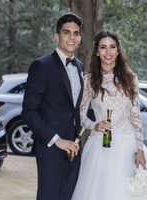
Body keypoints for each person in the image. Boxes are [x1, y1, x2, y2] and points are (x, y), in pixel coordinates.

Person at [72, 30, 147, 200]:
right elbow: (81, 114)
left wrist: (140, 149)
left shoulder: (131, 78)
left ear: (118, 51)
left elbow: (135, 117)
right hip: (100, 148)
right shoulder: (89, 80)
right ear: (97, 52)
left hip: (127, 146)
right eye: (103, 47)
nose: (108, 52)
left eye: (112, 47)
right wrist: (95, 125)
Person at [22, 13, 84, 200]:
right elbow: (28, 111)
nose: (72, 37)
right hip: (51, 149)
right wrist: (57, 139)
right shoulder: (42, 66)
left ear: (80, 38)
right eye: (67, 33)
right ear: (57, 36)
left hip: (75, 147)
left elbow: (76, 108)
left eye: (76, 33)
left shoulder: (80, 66)